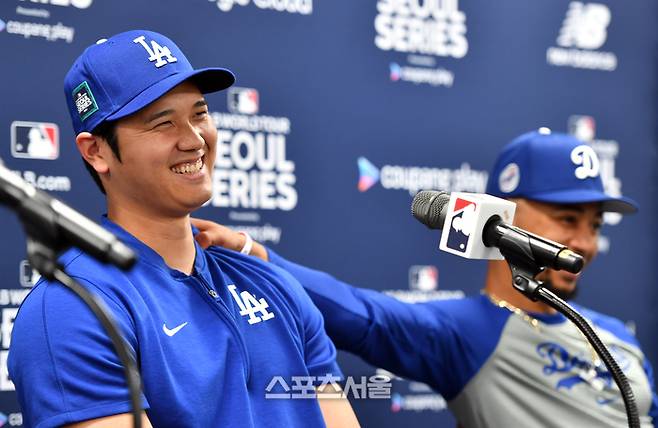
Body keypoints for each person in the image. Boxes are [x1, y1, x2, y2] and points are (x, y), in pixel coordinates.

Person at [8, 30, 359, 428]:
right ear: (96, 151)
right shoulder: (74, 307)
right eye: (163, 123)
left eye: (200, 114)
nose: (194, 140)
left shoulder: (272, 284)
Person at [193, 129, 658, 427]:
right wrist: (253, 254)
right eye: (567, 218)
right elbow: (363, 314)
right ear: (502, 217)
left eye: (594, 225)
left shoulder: (618, 338)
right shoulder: (468, 333)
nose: (586, 242)